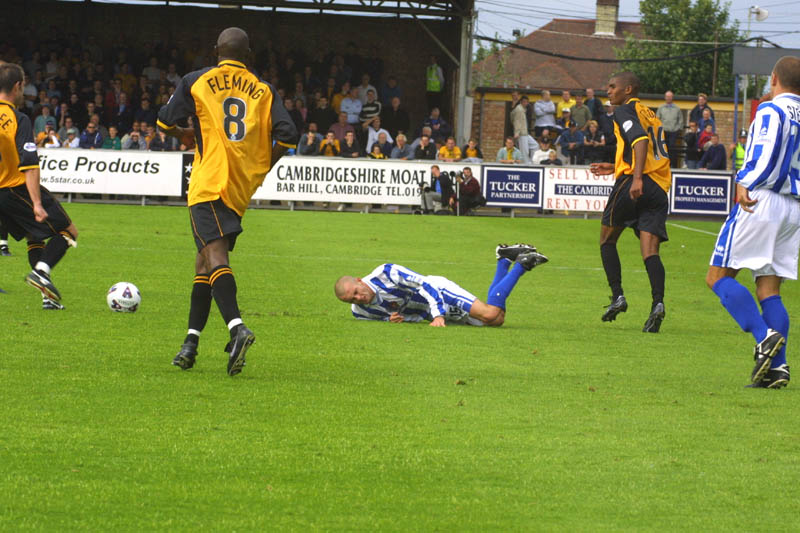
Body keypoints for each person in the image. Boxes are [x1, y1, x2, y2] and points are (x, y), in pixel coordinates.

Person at [157, 27, 298, 376]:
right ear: (248, 54)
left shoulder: (197, 80)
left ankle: (237, 329)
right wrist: (262, 165)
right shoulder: (263, 89)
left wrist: (184, 133)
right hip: (238, 188)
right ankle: (190, 343)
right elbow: (289, 136)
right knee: (204, 262)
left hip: (208, 183)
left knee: (214, 256)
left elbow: (164, 121)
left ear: (215, 51)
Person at [705, 56, 800, 389]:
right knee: (769, 288)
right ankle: (779, 368)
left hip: (761, 200)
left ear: (773, 79)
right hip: (793, 206)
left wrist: (745, 180)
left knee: (717, 276)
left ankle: (764, 336)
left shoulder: (771, 110)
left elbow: (766, 152)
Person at [590, 71, 672, 333]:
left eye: (613, 86)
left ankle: (618, 297)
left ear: (628, 90)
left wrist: (634, 178)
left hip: (636, 184)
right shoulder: (651, 113)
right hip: (659, 187)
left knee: (607, 240)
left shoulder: (624, 111)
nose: (608, 91)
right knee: (650, 251)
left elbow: (639, 140)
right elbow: (644, 146)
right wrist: (614, 166)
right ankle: (657, 303)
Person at [0, 62, 78, 311]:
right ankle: (41, 272)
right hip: (14, 188)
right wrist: (36, 203)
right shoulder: (17, 119)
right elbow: (30, 165)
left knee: (35, 236)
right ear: (18, 86)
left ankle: (47, 297)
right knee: (67, 232)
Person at [334, 244, 548, 327]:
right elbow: (382, 317)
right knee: (496, 320)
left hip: (439, 291)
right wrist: (391, 319)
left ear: (359, 281)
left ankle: (522, 264)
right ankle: (503, 259)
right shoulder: (359, 312)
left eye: (356, 292)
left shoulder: (387, 272)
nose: (358, 298)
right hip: (431, 312)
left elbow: (425, 284)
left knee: (491, 314)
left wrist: (438, 315)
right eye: (352, 300)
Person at [656, 90, 683, 168]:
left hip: (673, 132)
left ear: (672, 97)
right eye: (667, 96)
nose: (668, 98)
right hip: (663, 132)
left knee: (672, 149)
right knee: (662, 148)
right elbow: (657, 119)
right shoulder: (661, 108)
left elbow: (680, 120)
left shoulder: (677, 108)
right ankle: (662, 165)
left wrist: (678, 129)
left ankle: (672, 165)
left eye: (670, 96)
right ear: (665, 97)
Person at [511, 95, 533, 164]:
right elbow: (516, 121)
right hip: (521, 133)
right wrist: (517, 133)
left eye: (527, 102)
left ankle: (532, 161)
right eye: (524, 102)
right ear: (521, 102)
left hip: (525, 132)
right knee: (524, 151)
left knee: (535, 145)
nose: (525, 103)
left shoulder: (523, 109)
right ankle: (526, 164)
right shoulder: (519, 109)